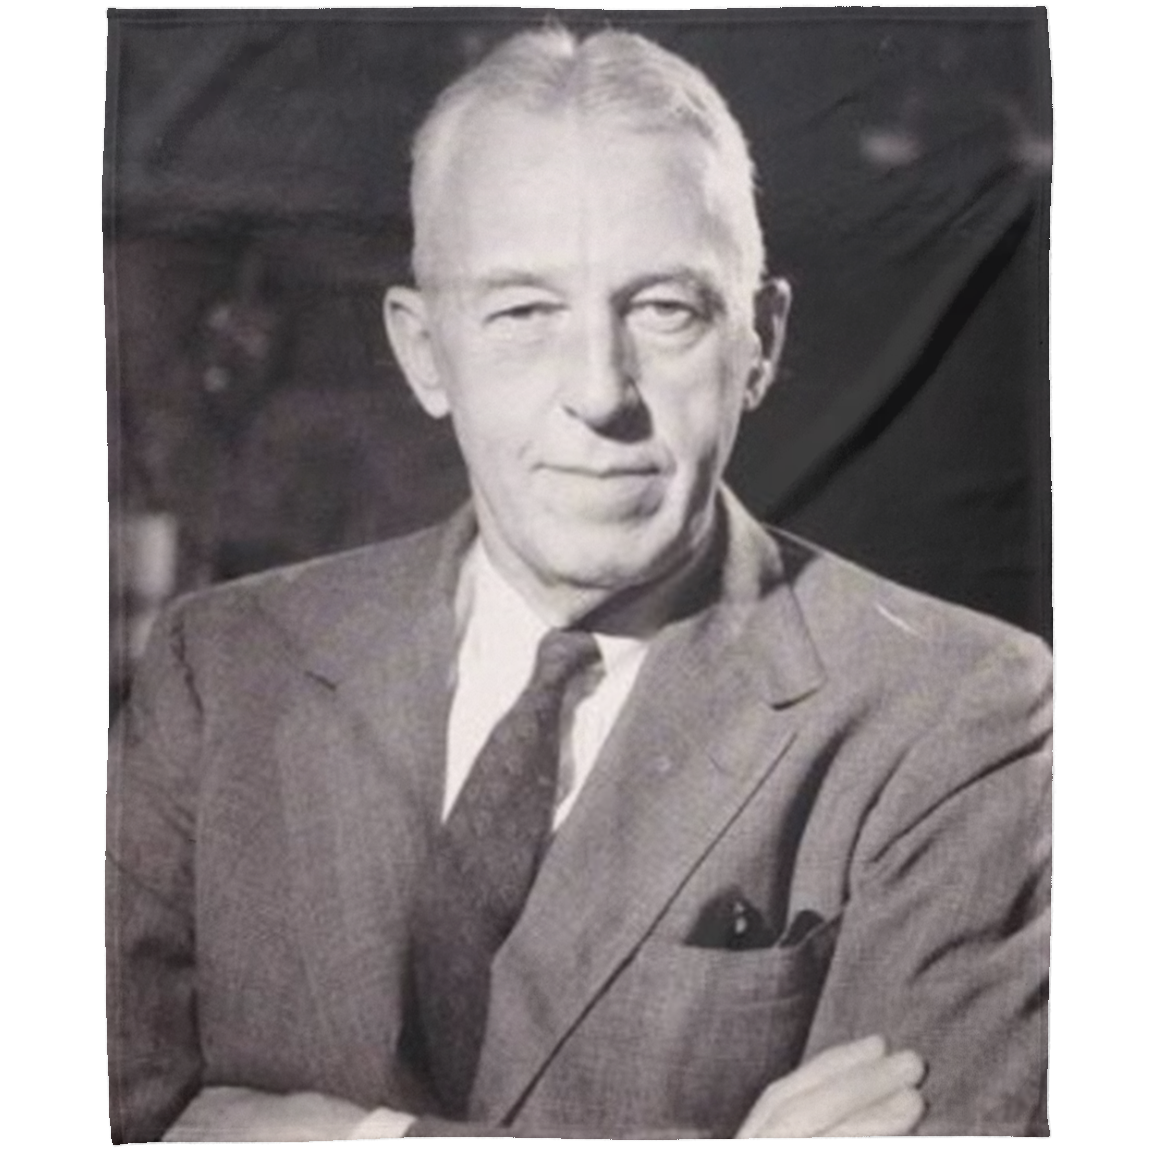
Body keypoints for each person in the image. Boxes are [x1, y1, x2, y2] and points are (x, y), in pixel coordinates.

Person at [105, 26, 1052, 1142]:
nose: (600, 392)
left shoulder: (964, 714)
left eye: (665, 309)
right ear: (424, 352)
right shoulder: (223, 663)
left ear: (759, 342)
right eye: (522, 312)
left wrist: (354, 1138)